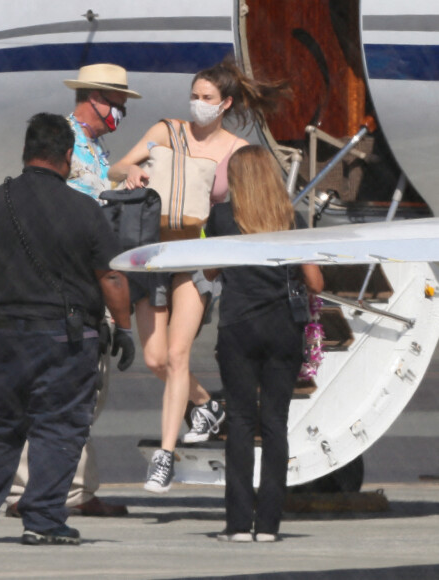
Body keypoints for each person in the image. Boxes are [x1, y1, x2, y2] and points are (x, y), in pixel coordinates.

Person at [0, 113, 135, 545]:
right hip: (65, 338)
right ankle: (43, 519)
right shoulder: (86, 210)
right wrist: (123, 327)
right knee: (59, 427)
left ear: (25, 152)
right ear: (68, 156)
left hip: (4, 333)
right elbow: (110, 277)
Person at [108, 59, 290, 493]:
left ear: (225, 104)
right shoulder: (165, 131)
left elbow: (245, 204)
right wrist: (131, 170)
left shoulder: (234, 149)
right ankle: (206, 404)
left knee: (176, 355)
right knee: (154, 359)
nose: (197, 104)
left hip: (195, 256)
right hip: (153, 253)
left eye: (207, 99)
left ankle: (164, 457)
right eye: (194, 96)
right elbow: (116, 169)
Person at [5, 63, 141, 518]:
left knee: (88, 392)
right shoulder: (62, 140)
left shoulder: (97, 148)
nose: (120, 114)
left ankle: (76, 489)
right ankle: (25, 490)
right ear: (94, 98)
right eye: (117, 105)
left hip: (89, 279)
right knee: (52, 393)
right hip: (65, 282)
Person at [206, 145, 323, 543]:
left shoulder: (222, 218)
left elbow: (209, 268)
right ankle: (269, 525)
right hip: (283, 329)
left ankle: (238, 524)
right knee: (275, 423)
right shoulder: (293, 219)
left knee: (239, 421)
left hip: (239, 325)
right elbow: (316, 282)